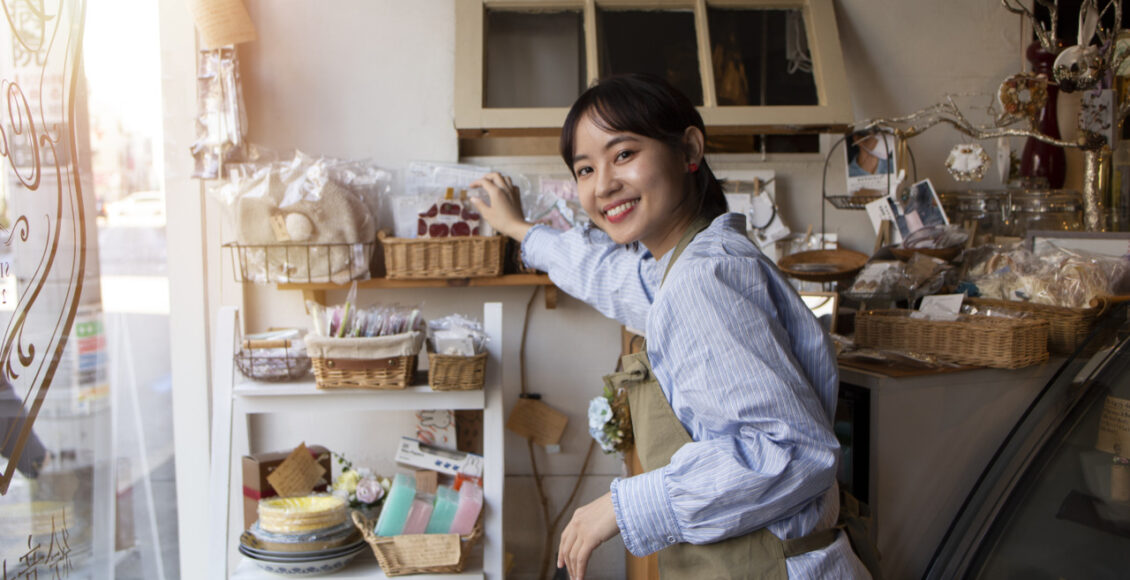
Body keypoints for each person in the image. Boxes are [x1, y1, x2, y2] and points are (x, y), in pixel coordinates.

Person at [470, 74, 870, 579]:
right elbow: (610, 277)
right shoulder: (683, 265)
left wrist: (621, 506)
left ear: (689, 149)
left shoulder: (703, 278)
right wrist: (521, 230)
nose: (603, 185)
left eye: (623, 155)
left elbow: (791, 450)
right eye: (585, 168)